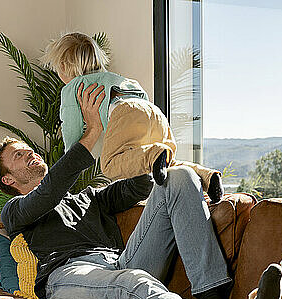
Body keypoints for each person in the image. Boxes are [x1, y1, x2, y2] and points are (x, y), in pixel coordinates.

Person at [0, 80, 282, 299]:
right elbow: (49, 193)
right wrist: (92, 132)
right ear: (9, 179)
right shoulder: (15, 210)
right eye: (18, 156)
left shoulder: (88, 197)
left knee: (177, 177)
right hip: (67, 279)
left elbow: (135, 184)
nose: (29, 154)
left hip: (120, 262)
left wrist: (147, 153)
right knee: (132, 282)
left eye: (28, 150)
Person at [40, 32, 223, 201]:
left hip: (123, 112)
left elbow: (71, 132)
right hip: (154, 112)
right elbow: (141, 101)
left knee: (110, 165)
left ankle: (155, 153)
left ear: (63, 66)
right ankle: (207, 177)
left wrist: (69, 157)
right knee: (167, 162)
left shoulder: (73, 87)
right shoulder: (117, 78)